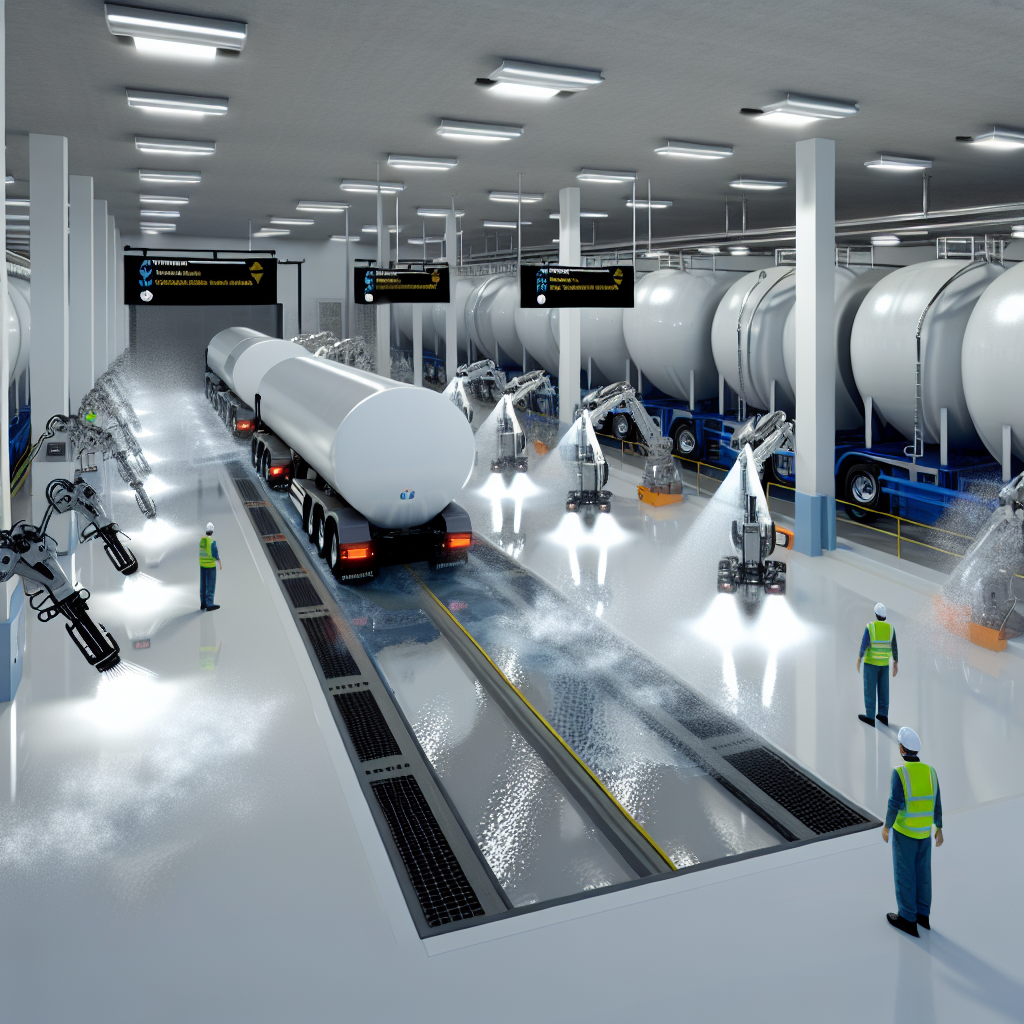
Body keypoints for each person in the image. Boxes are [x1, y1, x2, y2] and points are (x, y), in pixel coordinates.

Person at [883, 726, 942, 937]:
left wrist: (887, 826)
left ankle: (908, 919)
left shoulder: (900, 772)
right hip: (925, 834)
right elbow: (937, 802)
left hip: (905, 833)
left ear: (901, 748)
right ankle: (923, 916)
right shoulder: (930, 771)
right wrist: (939, 828)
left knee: (905, 874)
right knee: (923, 874)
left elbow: (894, 803)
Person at [856, 602, 898, 726]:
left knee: (870, 690)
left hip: (871, 663)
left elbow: (864, 644)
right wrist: (895, 663)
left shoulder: (870, 627)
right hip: (884, 664)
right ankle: (883, 715)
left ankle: (870, 717)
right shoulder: (891, 628)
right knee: (884, 690)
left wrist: (859, 658)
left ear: (876, 614)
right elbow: (894, 646)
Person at [199, 522, 222, 611]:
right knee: (210, 585)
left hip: (202, 565)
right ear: (212, 531)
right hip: (210, 565)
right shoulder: (211, 541)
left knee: (203, 584)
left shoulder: (202, 540)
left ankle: (203, 603)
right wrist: (218, 558)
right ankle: (209, 603)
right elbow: (214, 552)